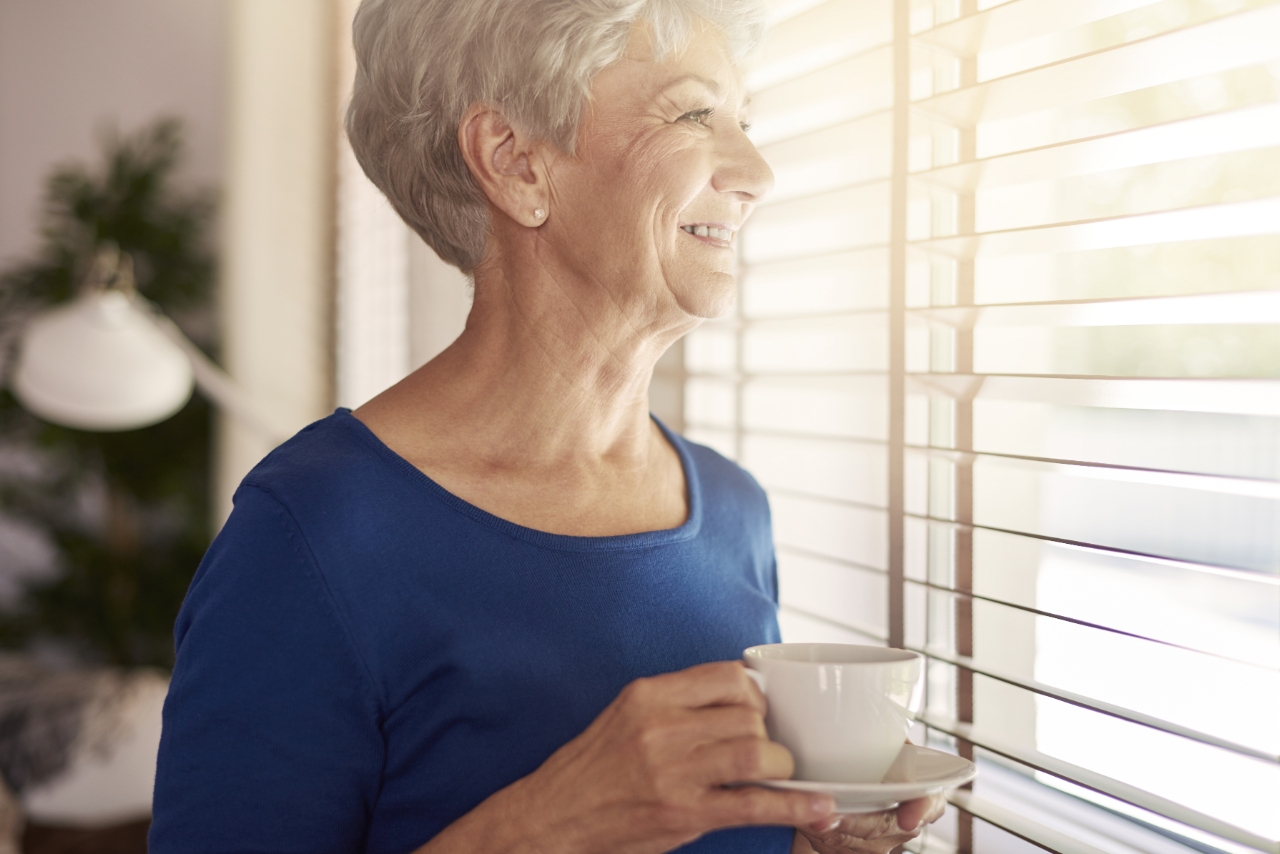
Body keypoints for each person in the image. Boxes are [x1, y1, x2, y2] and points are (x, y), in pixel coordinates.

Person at [149, 1, 946, 852]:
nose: (757, 169)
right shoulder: (313, 535)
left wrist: (806, 837)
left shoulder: (733, 509)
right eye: (693, 113)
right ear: (517, 163)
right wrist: (550, 825)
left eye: (743, 121)